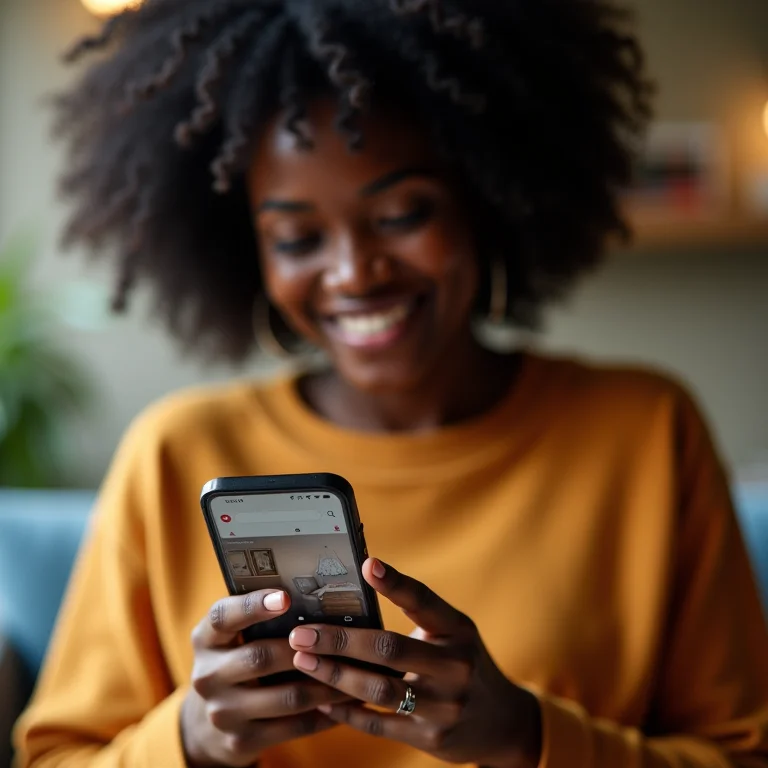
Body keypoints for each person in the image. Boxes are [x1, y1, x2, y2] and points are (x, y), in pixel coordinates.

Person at [14, 1, 768, 766]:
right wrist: (192, 740)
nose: (354, 273)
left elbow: (743, 753)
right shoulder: (174, 451)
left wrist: (525, 738)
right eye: (299, 238)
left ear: (488, 200)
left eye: (405, 213)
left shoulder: (645, 430)